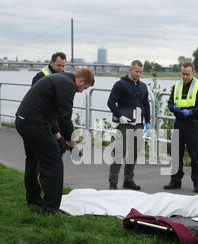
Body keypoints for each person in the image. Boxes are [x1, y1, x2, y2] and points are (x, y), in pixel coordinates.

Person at [15, 69, 95, 215]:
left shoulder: (60, 78)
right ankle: (51, 208)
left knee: (33, 160)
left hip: (23, 120)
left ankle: (33, 199)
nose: (83, 91)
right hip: (35, 124)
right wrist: (72, 142)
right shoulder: (68, 85)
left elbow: (52, 113)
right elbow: (64, 117)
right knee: (54, 164)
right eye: (86, 87)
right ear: (82, 81)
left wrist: (58, 136)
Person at [163, 62, 198, 193]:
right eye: (183, 74)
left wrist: (191, 112)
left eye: (187, 74)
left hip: (193, 124)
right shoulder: (176, 86)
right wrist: (173, 108)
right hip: (179, 123)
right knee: (176, 154)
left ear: (193, 73)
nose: (185, 76)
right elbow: (170, 102)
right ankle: (175, 180)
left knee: (196, 155)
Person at [107, 60, 151, 191]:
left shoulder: (143, 86)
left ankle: (128, 180)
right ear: (130, 70)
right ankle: (113, 183)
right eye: (136, 71)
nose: (138, 74)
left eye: (140, 72)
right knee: (119, 154)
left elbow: (146, 105)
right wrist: (119, 115)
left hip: (139, 125)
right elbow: (110, 102)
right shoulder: (120, 84)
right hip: (125, 125)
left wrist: (147, 121)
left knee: (134, 154)